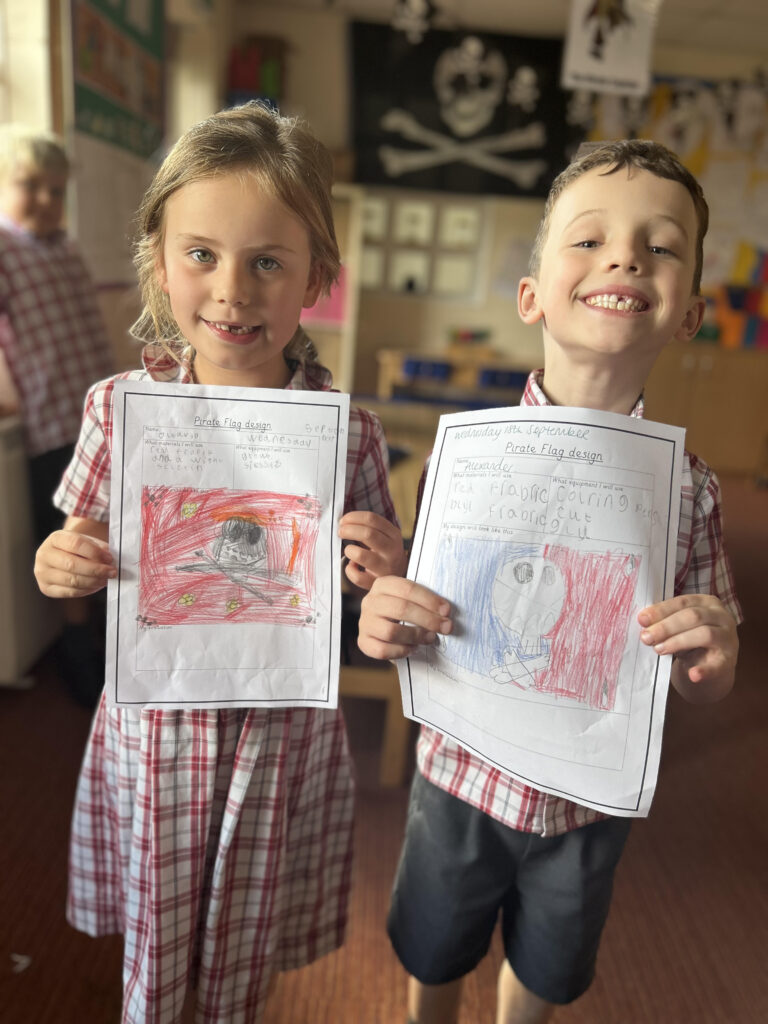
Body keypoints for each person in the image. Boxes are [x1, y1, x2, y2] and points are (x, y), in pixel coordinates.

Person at [33, 101, 406, 1024]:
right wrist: (61, 563)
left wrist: (378, 569)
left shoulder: (348, 433)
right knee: (158, 959)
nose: (232, 289)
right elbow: (71, 541)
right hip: (161, 726)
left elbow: (377, 603)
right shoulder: (119, 407)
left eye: (267, 261)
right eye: (201, 254)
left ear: (315, 276)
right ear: (159, 258)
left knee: (242, 949)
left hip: (277, 736)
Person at [357, 139, 741, 1024]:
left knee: (547, 963)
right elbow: (413, 618)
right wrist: (385, 615)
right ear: (530, 295)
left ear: (687, 315)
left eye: (663, 246)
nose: (626, 257)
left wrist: (715, 654)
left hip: (588, 802)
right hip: (460, 776)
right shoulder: (462, 462)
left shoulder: (691, 493)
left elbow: (707, 673)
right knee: (433, 942)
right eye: (589, 239)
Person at [0, 123, 114, 703]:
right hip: (48, 419)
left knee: (111, 529)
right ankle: (80, 656)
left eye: (56, 189)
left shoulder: (67, 248)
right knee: (71, 538)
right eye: (30, 186)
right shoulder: (2, 245)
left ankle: (104, 634)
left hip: (98, 413)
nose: (45, 199)